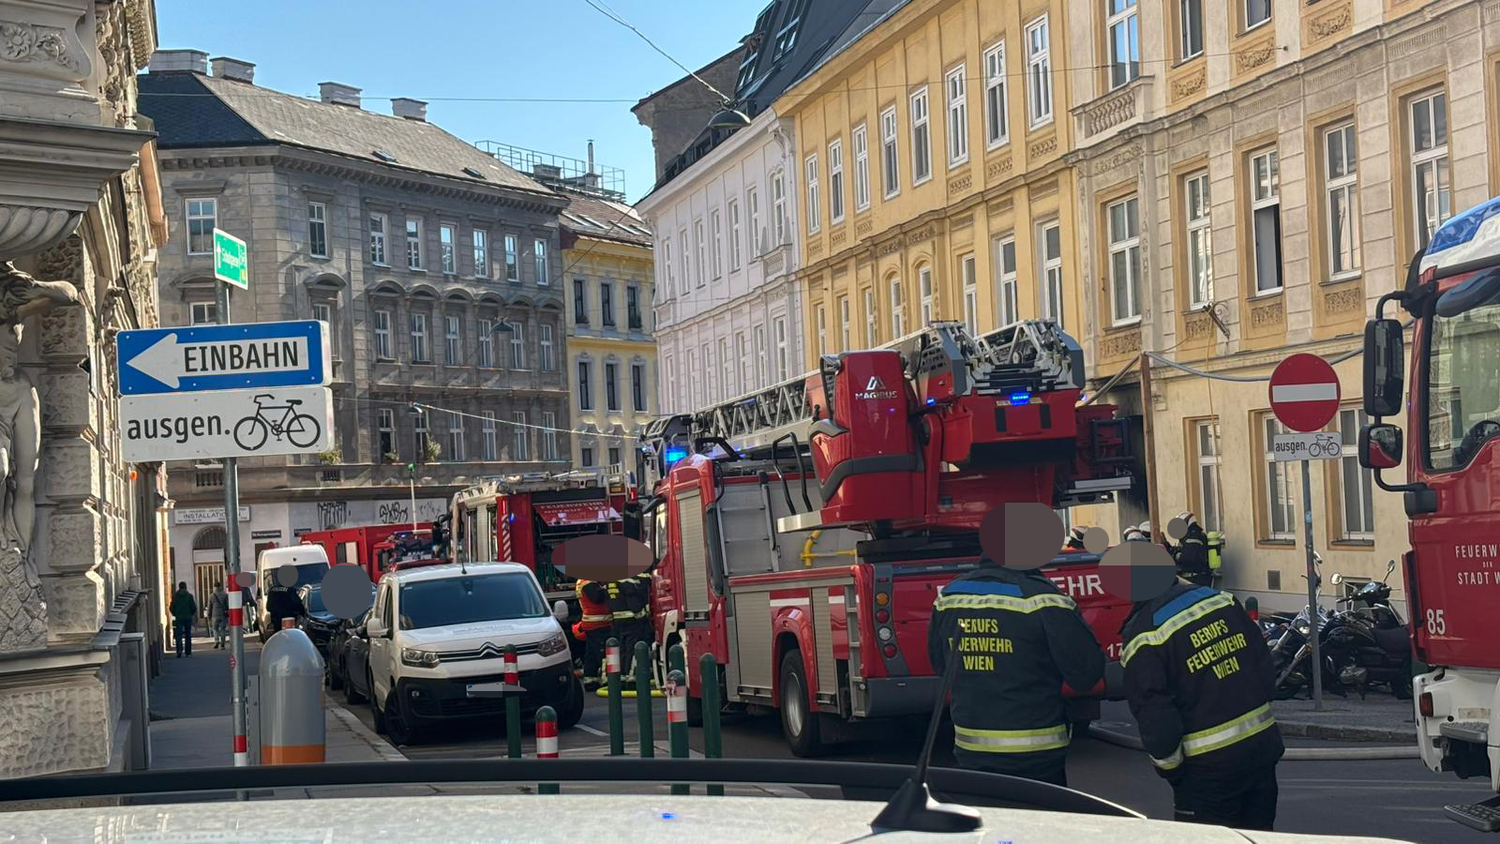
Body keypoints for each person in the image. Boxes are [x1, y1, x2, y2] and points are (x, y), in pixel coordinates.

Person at [928, 553, 1106, 786]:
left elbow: (940, 666)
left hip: (971, 753)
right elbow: (1086, 674)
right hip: (1037, 758)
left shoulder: (949, 597)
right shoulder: (1045, 599)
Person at [1120, 579, 1284, 830]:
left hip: (1206, 772)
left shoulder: (1145, 637)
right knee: (1259, 834)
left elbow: (1158, 720)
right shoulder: (1222, 600)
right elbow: (1264, 671)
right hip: (1261, 752)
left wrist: (1172, 771)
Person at [574, 578, 613, 689]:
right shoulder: (588, 583)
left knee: (591, 654)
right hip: (599, 624)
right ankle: (608, 680)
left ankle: (590, 680)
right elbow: (597, 598)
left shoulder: (583, 581)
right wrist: (608, 587)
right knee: (603, 653)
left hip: (591, 623)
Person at [1171, 512, 1213, 587]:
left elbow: (1188, 558)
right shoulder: (1192, 535)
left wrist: (1175, 555)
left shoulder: (1194, 536)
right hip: (1196, 578)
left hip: (1196, 579)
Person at [170, 582, 197, 658]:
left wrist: (175, 614)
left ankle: (179, 651)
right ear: (185, 587)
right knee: (188, 634)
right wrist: (190, 613)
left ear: (179, 587)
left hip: (179, 618)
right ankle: (188, 652)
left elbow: (171, 607)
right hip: (188, 618)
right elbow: (193, 607)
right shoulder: (189, 596)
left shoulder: (175, 596)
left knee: (178, 635)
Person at [210, 585, 229, 649]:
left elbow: (209, 606)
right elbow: (227, 605)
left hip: (214, 614)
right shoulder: (225, 595)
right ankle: (222, 644)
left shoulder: (212, 595)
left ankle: (216, 640)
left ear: (214, 587)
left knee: (215, 629)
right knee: (222, 629)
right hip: (223, 614)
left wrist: (208, 615)